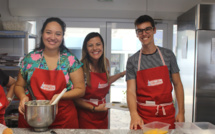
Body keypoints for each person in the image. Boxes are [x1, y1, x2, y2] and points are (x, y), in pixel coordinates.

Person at [14, 17, 85, 128]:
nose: (52, 37)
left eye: (58, 34)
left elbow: (81, 90)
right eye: (48, 32)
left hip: (63, 119)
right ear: (42, 34)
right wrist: (23, 97)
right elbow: (19, 85)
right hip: (33, 117)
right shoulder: (29, 59)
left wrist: (60, 96)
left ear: (62, 37)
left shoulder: (70, 60)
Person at [126, 15, 185, 130]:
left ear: (154, 30)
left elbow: (178, 84)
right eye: (140, 31)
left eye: (147, 29)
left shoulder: (168, 55)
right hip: (142, 117)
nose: (144, 34)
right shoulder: (132, 61)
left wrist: (181, 112)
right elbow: (131, 91)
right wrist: (133, 114)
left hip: (166, 116)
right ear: (137, 34)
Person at [75, 32, 126, 129]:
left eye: (98, 44)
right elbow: (76, 99)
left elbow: (105, 81)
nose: (95, 48)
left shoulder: (105, 63)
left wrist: (122, 74)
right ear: (86, 49)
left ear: (102, 46)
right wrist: (94, 108)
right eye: (90, 45)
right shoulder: (80, 67)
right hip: (86, 114)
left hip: (102, 113)